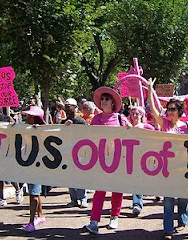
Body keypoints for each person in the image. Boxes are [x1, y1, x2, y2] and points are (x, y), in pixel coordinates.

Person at [147, 78, 188, 240]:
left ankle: (183, 219)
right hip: (167, 168)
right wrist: (150, 89)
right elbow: (153, 109)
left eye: (173, 109)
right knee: (167, 200)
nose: (170, 111)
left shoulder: (186, 127)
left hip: (182, 168)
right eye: (168, 109)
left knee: (182, 198)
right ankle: (168, 229)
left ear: (179, 111)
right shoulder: (164, 124)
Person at [85, 87, 131, 235]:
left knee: (117, 189)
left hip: (118, 159)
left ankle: (114, 217)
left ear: (112, 103)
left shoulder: (120, 118)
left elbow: (131, 135)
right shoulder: (96, 119)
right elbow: (89, 136)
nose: (103, 101)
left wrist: (131, 129)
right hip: (100, 160)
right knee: (99, 191)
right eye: (102, 99)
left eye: (107, 99)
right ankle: (94, 222)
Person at [0, 104, 23, 208]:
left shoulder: (7, 119)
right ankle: (1, 199)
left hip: (7, 152)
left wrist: (13, 124)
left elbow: (16, 131)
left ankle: (18, 190)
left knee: (9, 173)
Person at [21, 106, 47, 232]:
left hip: (38, 166)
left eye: (30, 116)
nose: (27, 118)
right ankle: (40, 216)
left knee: (34, 194)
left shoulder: (43, 131)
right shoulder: (25, 130)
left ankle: (31, 222)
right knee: (34, 191)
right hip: (28, 164)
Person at [128, 106, 155, 216]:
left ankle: (137, 204)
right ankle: (137, 203)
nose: (135, 115)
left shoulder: (147, 127)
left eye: (137, 113)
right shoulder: (127, 127)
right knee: (135, 181)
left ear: (142, 115)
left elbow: (156, 138)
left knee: (139, 180)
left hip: (144, 156)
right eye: (133, 113)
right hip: (130, 157)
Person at [64, 98, 88, 208]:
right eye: (66, 106)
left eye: (69, 106)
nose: (67, 108)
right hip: (67, 153)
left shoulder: (81, 121)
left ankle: (82, 198)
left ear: (74, 107)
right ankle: (73, 199)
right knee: (69, 177)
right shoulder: (62, 122)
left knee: (80, 176)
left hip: (80, 153)